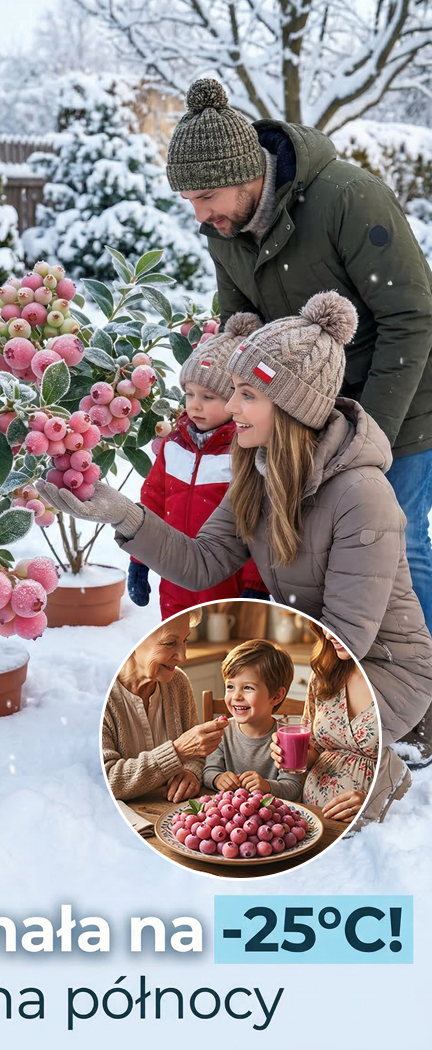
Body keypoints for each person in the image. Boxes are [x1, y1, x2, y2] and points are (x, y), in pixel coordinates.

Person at [39, 290, 432, 821]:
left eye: (247, 395)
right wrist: (120, 514)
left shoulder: (361, 496)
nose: (230, 408)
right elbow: (202, 561)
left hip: (378, 668)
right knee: (213, 733)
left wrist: (255, 704)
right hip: (311, 659)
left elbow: (348, 639)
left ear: (290, 407)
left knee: (276, 769)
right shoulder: (258, 470)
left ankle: (377, 772)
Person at [165, 77, 432, 762]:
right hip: (301, 417)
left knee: (395, 553)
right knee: (319, 558)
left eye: (205, 198)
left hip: (397, 403)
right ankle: (335, 697)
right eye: (190, 201)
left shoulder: (346, 197)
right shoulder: (227, 229)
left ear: (245, 176)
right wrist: (215, 397)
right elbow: (239, 323)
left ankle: (418, 705)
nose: (199, 215)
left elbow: (412, 317)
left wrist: (359, 437)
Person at [129, 314, 269, 616]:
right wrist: (139, 559)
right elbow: (153, 499)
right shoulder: (174, 444)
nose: (194, 404)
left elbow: (260, 523)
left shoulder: (245, 453)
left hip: (226, 585)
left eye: (208, 397)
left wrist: (256, 586)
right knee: (178, 643)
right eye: (190, 394)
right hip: (175, 577)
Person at [103, 611, 228, 802]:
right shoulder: (103, 695)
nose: (183, 656)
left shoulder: (177, 682)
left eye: (185, 640)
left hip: (169, 811)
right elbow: (108, 780)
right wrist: (178, 751)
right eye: (170, 643)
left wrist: (191, 773)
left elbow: (196, 756)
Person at [271, 625, 379, 824]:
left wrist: (377, 804)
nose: (329, 634)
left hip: (373, 828)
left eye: (339, 624)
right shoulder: (323, 675)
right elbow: (315, 750)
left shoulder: (405, 683)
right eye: (324, 626)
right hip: (312, 818)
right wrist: (290, 754)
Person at [201, 639, 301, 801]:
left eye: (248, 688)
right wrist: (217, 778)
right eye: (230, 686)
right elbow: (208, 772)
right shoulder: (221, 732)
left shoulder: (286, 739)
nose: (236, 696)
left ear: (276, 696)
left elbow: (293, 788)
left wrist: (266, 786)